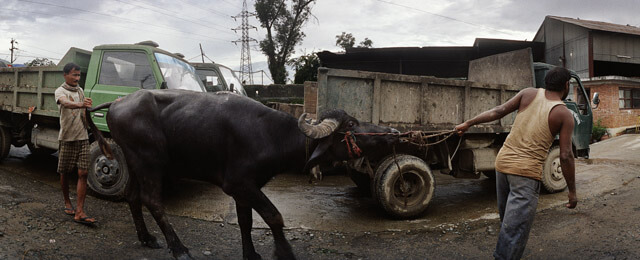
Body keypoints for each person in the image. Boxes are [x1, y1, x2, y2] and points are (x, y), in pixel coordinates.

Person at [454, 67, 578, 259]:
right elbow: (566, 155)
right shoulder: (563, 113)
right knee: (514, 231)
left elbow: (497, 111)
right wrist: (572, 191)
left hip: (502, 165)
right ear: (566, 85)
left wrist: (468, 123)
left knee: (508, 225)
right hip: (526, 173)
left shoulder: (528, 94)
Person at [55, 62, 96, 225]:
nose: (77, 78)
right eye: (74, 75)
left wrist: (88, 109)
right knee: (64, 172)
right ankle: (67, 203)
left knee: (83, 173)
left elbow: (84, 111)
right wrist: (81, 104)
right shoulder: (60, 91)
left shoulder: (80, 90)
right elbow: (65, 103)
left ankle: (79, 211)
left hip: (82, 137)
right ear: (65, 75)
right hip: (67, 138)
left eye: (79, 75)